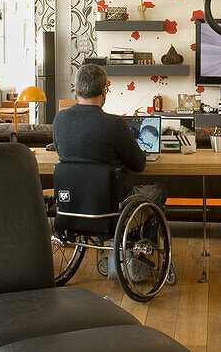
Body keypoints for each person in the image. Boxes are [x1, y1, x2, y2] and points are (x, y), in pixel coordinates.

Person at [52, 63, 167, 279]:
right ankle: (138, 257)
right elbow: (139, 165)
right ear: (105, 91)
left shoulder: (59, 121)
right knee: (158, 190)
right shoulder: (114, 124)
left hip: (72, 207)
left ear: (76, 91)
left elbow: (64, 156)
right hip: (111, 210)